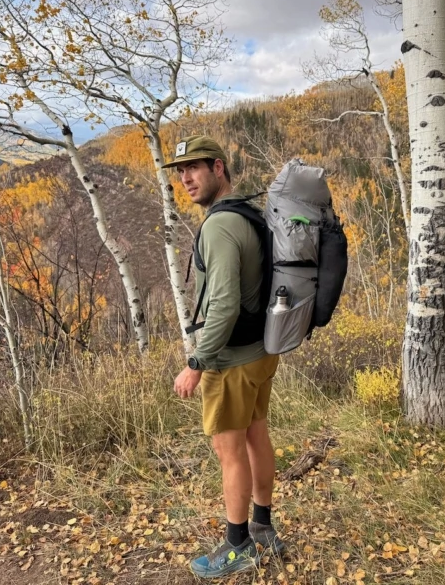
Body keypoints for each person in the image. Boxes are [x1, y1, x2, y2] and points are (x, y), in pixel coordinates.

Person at [167, 135, 284, 578]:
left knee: (229, 451)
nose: (185, 179)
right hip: (261, 352)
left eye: (193, 168)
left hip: (231, 359)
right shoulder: (248, 214)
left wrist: (196, 363)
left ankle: (239, 547)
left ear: (219, 168)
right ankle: (263, 527)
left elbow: (224, 306)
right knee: (256, 435)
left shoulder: (218, 225)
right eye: (180, 171)